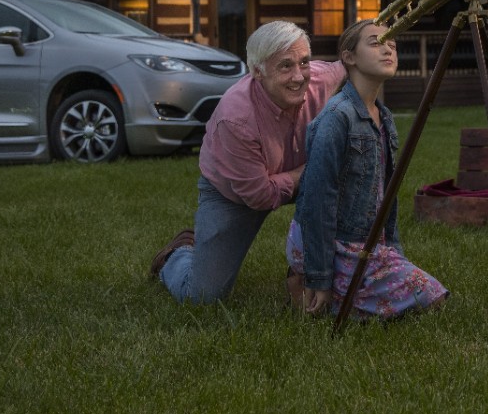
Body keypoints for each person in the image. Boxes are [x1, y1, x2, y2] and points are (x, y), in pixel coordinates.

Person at [151, 20, 346, 303]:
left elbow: (351, 65)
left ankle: (317, 272)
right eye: (285, 66)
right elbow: (259, 195)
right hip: (235, 194)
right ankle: (177, 255)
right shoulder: (236, 118)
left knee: (349, 179)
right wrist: (312, 170)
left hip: (299, 179)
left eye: (303, 62)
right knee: (203, 296)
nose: (299, 76)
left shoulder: (319, 78)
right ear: (257, 72)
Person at [287, 19, 448, 319]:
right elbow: (316, 202)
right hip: (331, 242)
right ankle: (308, 278)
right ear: (349, 57)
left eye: (392, 45)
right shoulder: (337, 117)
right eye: (375, 43)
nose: (387, 49)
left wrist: (393, 252)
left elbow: (386, 197)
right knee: (431, 298)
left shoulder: (384, 117)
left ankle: (338, 288)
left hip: (365, 242)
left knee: (431, 297)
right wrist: (320, 276)